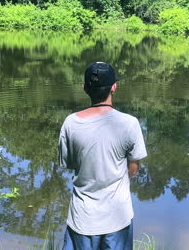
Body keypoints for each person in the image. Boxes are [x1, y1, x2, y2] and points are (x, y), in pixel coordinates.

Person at [58, 62, 147, 250]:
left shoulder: (70, 123)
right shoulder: (130, 124)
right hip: (117, 218)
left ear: (85, 88)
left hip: (82, 219)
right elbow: (133, 169)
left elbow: (71, 164)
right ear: (114, 87)